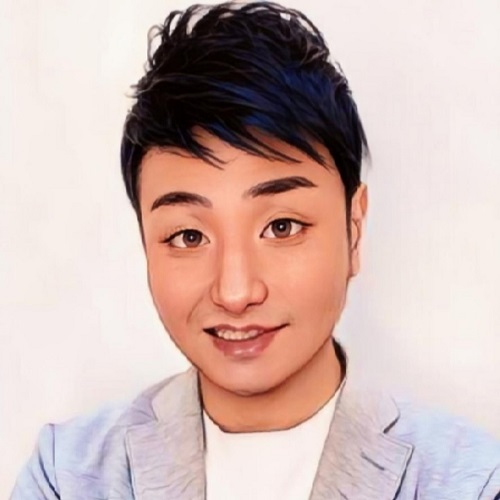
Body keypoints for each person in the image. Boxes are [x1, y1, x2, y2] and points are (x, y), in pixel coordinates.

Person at [11, 1, 500, 499]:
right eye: (189, 237)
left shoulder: (474, 482)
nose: (236, 292)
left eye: (282, 227)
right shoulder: (68, 476)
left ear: (354, 229)